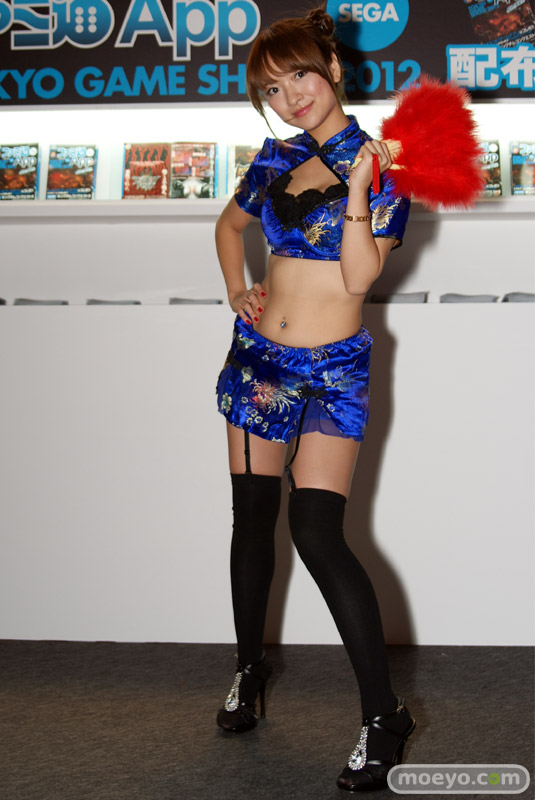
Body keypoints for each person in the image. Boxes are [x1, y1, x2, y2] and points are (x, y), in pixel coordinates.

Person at [214, 7, 414, 792]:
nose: (290, 96)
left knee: (316, 531)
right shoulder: (273, 160)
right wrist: (237, 288)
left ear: (331, 68)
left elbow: (360, 278)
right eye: (271, 88)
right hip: (259, 362)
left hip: (333, 370)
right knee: (251, 518)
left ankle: (383, 716)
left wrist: (358, 187)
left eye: (298, 75)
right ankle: (248, 668)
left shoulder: (384, 167)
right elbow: (228, 228)